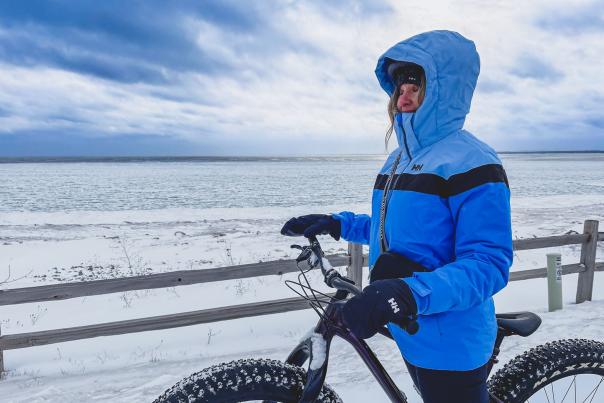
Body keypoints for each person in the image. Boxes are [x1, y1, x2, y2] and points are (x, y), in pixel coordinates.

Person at [281, 30, 512, 403]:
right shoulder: (399, 159)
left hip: (450, 341)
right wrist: (339, 224)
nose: (403, 93)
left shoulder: (473, 162)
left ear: (443, 88)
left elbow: (488, 263)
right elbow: (398, 232)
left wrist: (407, 292)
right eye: (399, 83)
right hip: (412, 327)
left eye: (416, 81)